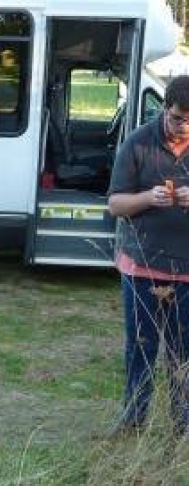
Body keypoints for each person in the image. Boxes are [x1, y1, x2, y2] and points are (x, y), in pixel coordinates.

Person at [107, 75, 189, 438]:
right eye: (177, 119)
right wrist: (146, 199)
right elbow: (115, 204)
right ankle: (133, 422)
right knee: (141, 349)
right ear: (165, 109)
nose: (183, 128)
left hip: (187, 274)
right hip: (142, 269)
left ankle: (182, 428)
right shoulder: (139, 142)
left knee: (182, 354)